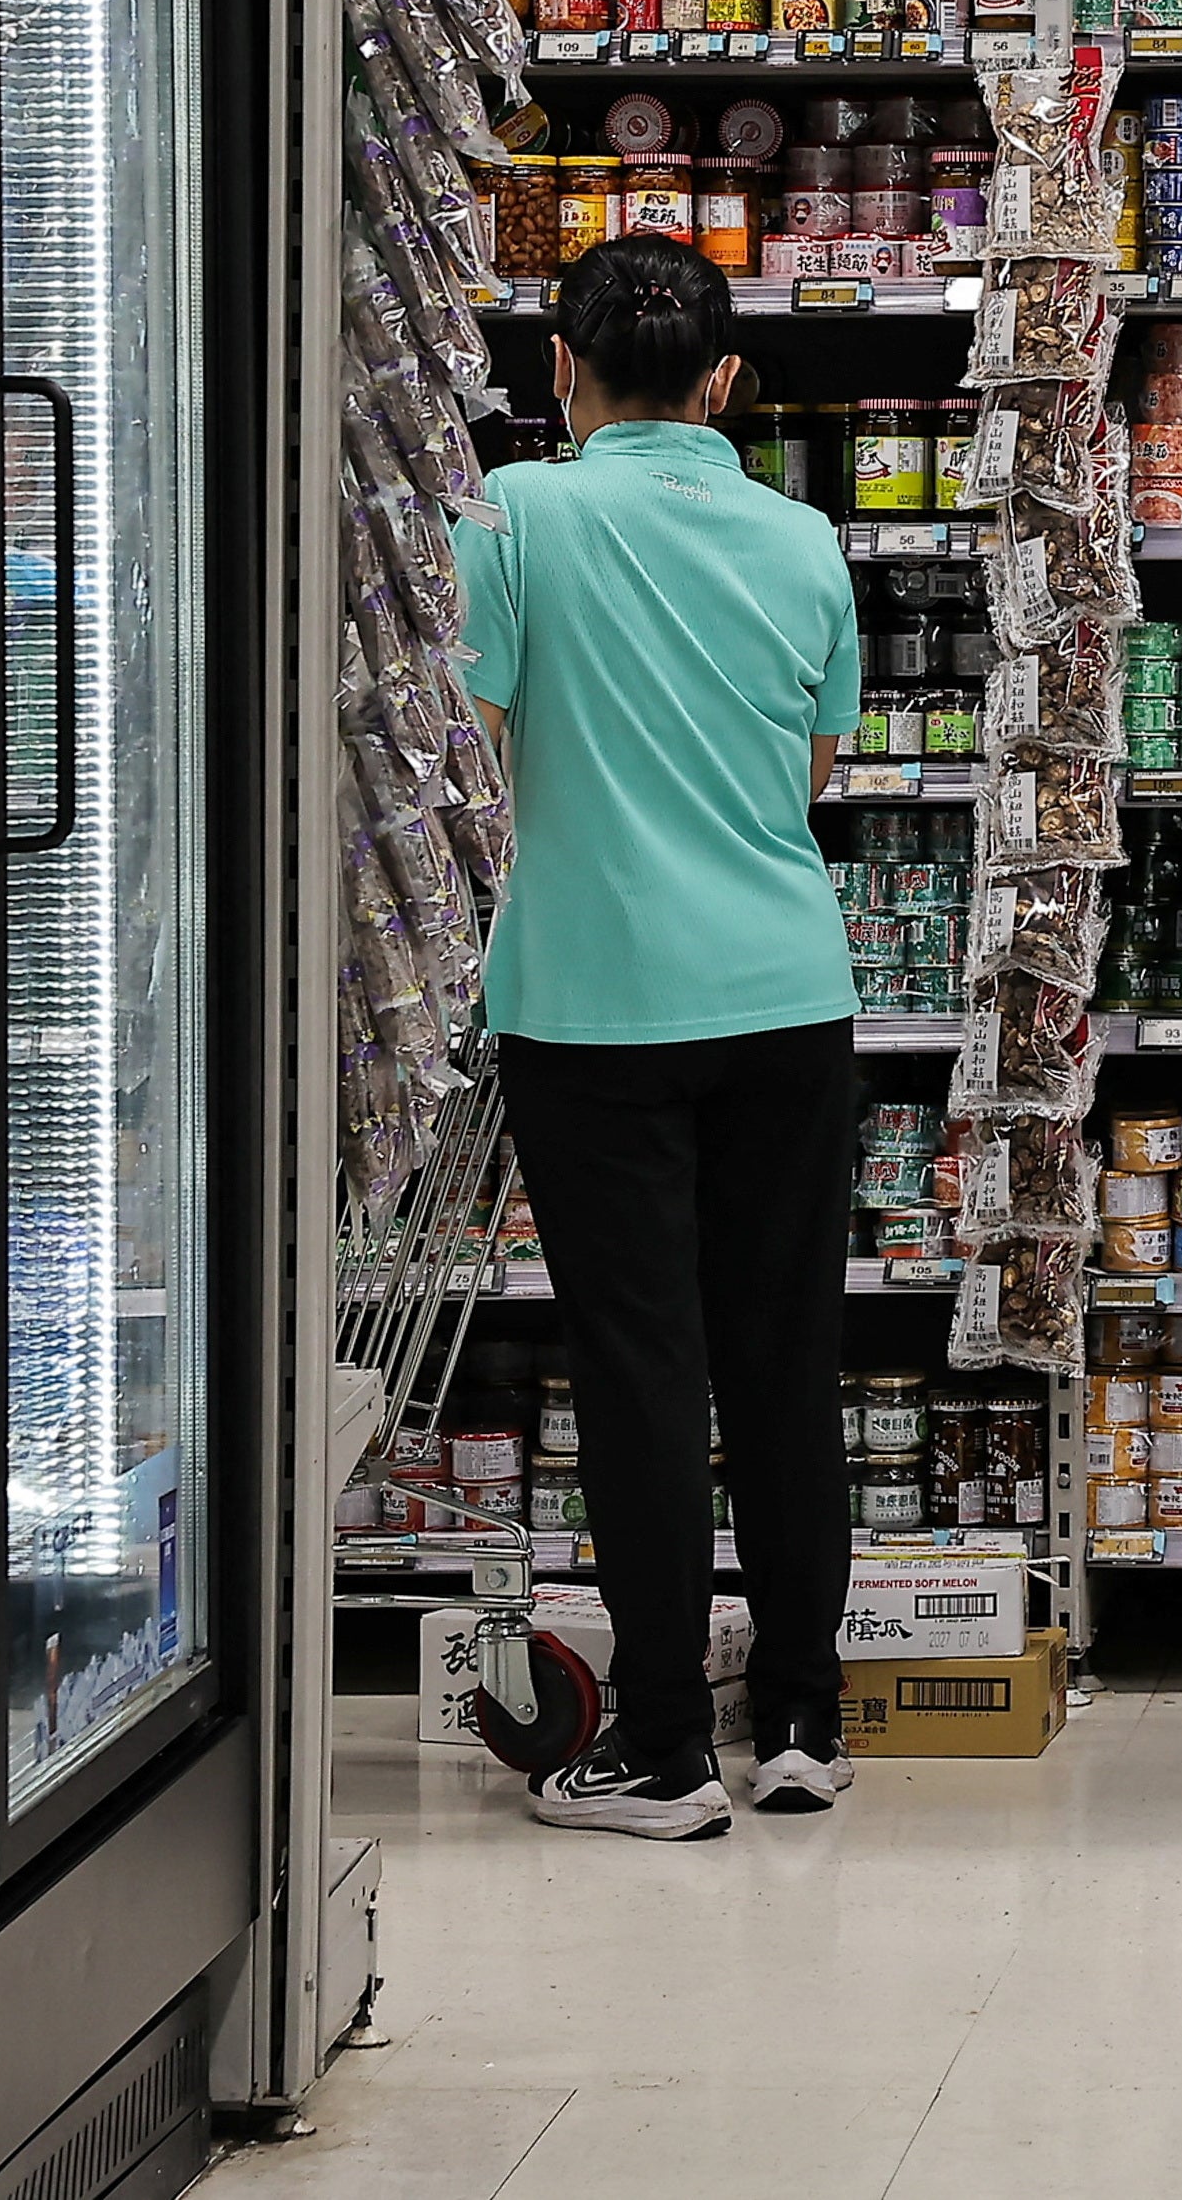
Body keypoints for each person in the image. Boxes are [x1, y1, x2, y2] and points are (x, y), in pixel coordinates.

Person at [448, 231, 870, 1837]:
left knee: (643, 1368)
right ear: (727, 382)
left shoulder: (515, 513)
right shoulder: (803, 538)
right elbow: (811, 780)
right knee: (784, 1358)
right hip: (787, 994)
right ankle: (810, 1718)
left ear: (559, 371)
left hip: (592, 1003)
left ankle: (663, 1739)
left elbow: (474, 752)